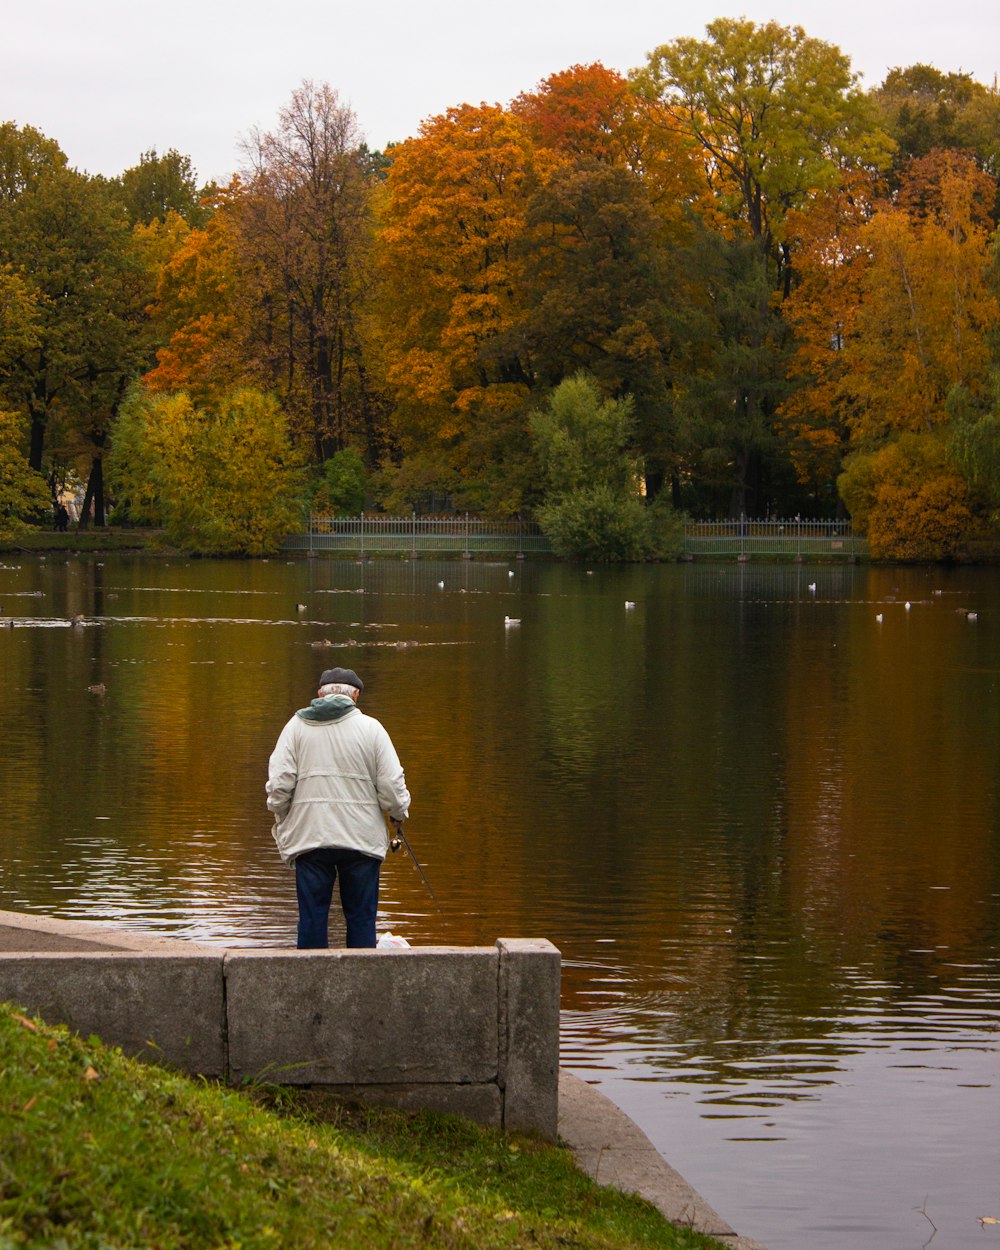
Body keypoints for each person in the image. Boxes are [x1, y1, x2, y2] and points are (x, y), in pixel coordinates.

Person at [266, 666, 410, 949]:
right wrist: (398, 814)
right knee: (361, 919)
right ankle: (361, 984)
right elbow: (392, 786)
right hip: (361, 841)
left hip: (310, 838)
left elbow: (279, 784)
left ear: (319, 694)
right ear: (355, 695)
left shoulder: (294, 728)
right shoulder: (372, 729)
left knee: (312, 918)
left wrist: (282, 815)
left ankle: (310, 983)